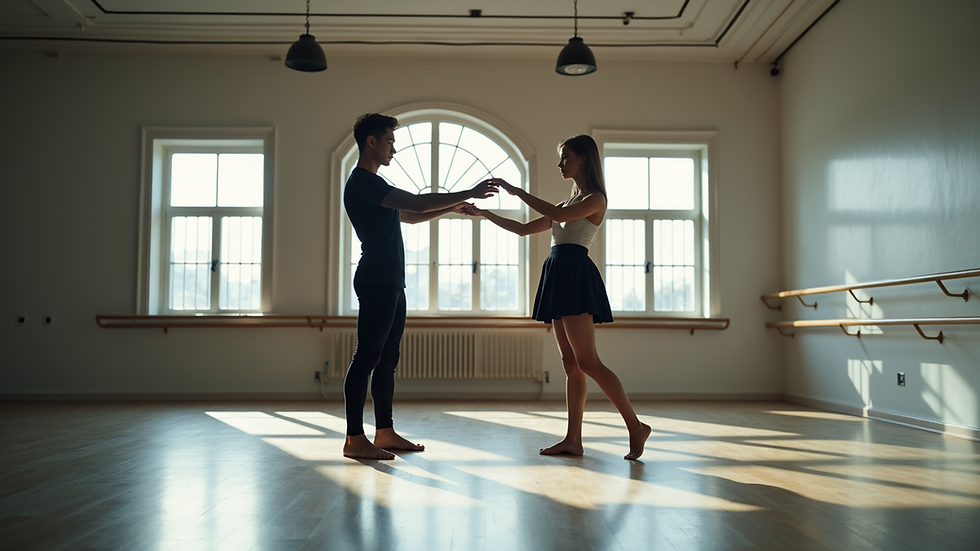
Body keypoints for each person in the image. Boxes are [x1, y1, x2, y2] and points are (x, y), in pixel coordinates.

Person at [456, 135, 651, 460]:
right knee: (571, 365)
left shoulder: (595, 199)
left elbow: (558, 219)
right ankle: (573, 440)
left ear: (583, 159)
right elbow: (523, 230)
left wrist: (518, 192)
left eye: (565, 158)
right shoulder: (566, 204)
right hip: (558, 273)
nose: (560, 164)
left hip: (574, 274)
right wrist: (484, 214)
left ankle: (635, 426)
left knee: (588, 361)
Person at [343, 113, 498, 460]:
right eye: (389, 142)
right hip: (377, 279)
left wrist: (451, 207)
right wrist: (469, 190)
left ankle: (384, 432)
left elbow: (410, 215)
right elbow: (414, 202)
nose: (393, 149)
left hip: (392, 281)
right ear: (371, 142)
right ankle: (354, 438)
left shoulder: (376, 187)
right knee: (366, 357)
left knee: (387, 360)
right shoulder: (363, 182)